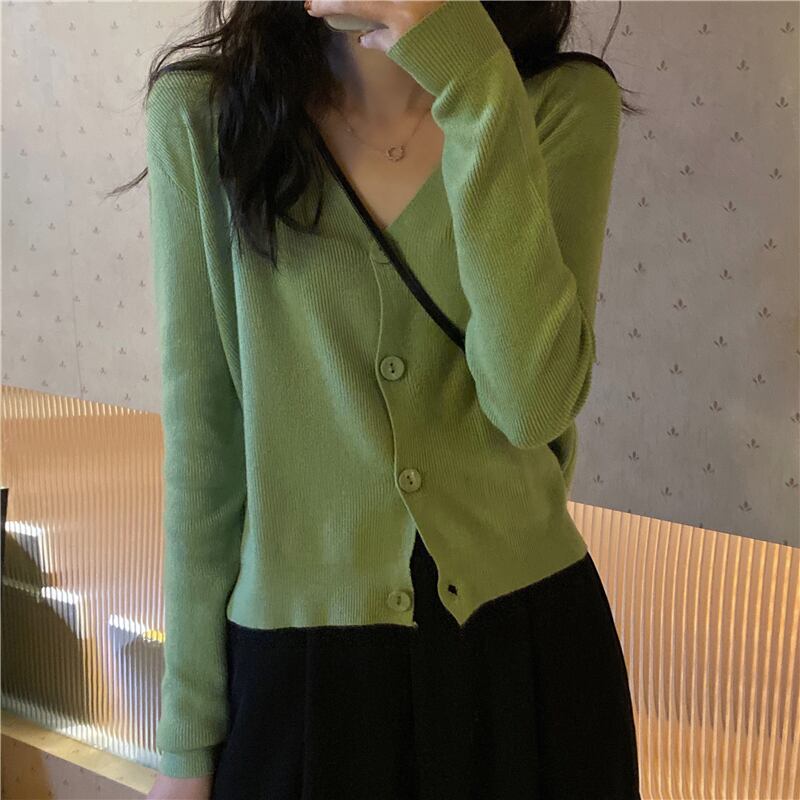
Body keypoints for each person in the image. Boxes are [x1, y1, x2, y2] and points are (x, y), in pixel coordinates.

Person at [123, 1, 641, 798]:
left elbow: (532, 406)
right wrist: (186, 743)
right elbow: (205, 447)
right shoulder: (201, 115)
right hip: (299, 666)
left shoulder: (555, 101)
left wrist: (473, 81)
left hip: (523, 654)